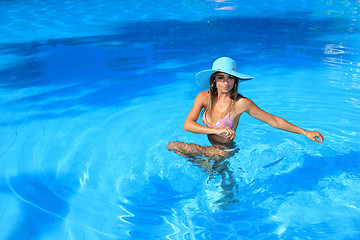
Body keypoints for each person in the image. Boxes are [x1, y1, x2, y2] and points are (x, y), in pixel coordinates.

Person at [167, 57, 323, 160]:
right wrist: (216, 131)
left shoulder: (241, 103)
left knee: (175, 146)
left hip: (224, 152)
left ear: (235, 81)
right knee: (173, 147)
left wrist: (305, 132)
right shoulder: (203, 97)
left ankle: (213, 168)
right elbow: (187, 125)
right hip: (211, 147)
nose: (226, 83)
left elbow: (273, 120)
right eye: (221, 77)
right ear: (214, 80)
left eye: (230, 78)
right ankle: (210, 168)